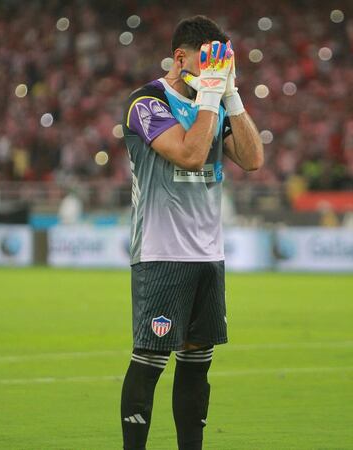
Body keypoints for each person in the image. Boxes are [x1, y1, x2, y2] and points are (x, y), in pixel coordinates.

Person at [121, 15, 263, 450]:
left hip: (208, 256)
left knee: (198, 361)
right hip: (162, 254)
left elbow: (254, 159)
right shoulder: (146, 102)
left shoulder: (217, 102)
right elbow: (189, 154)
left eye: (222, 67)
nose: (215, 75)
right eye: (208, 64)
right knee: (150, 360)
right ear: (180, 57)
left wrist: (232, 96)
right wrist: (210, 95)